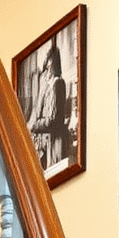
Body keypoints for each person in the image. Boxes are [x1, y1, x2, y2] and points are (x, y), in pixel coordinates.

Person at [30, 43, 69, 171]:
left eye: (48, 68)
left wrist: (34, 126)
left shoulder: (58, 83)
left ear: (52, 67)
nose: (46, 73)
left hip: (55, 143)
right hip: (48, 143)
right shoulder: (48, 86)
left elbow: (53, 120)